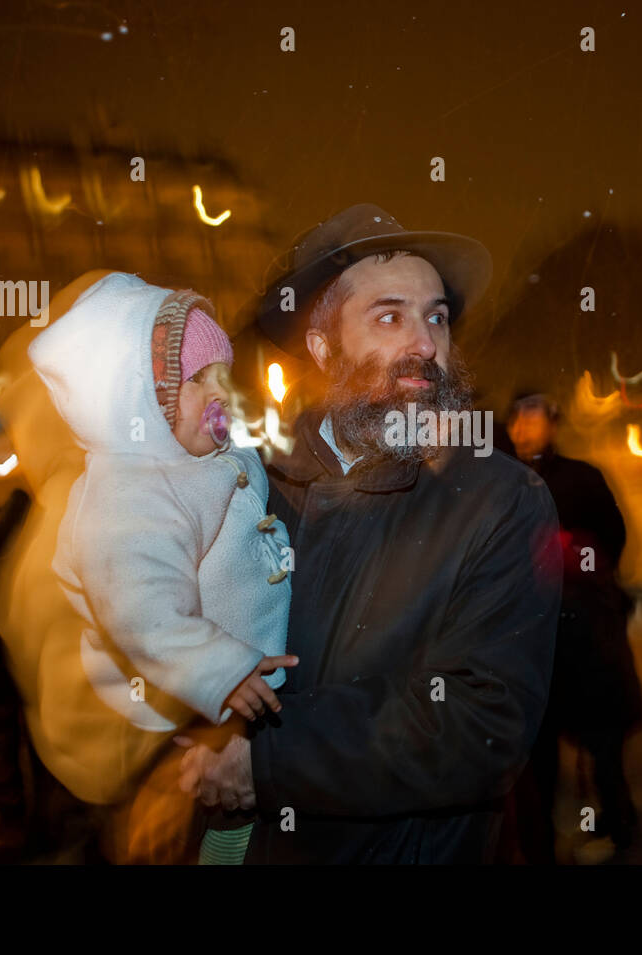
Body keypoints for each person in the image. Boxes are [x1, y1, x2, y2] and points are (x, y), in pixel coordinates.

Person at [178, 203, 563, 863]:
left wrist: (268, 762)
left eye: (436, 317)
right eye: (390, 316)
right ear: (323, 348)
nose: (424, 344)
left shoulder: (500, 500)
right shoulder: (248, 494)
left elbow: (480, 724)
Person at [23, 272, 297, 864]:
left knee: (234, 812)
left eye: (220, 373)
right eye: (195, 379)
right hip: (187, 698)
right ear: (135, 400)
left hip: (230, 698)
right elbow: (142, 612)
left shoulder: (204, 458)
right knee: (209, 816)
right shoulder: (130, 493)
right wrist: (220, 670)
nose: (217, 390)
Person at [503, 392, 642, 861]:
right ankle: (541, 841)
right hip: (531, 642)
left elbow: (613, 538)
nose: (525, 427)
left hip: (586, 636)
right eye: (517, 418)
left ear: (553, 423)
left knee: (602, 741)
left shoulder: (582, 479)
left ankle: (619, 823)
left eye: (534, 416)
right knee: (539, 753)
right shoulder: (503, 485)